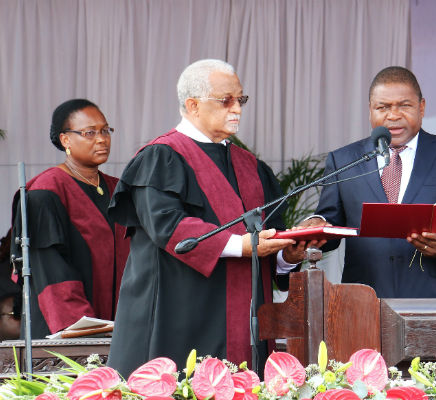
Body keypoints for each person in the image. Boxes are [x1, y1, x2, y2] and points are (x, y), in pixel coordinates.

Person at [107, 59, 312, 377]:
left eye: (240, 99)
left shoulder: (251, 167)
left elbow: (272, 235)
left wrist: (287, 255)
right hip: (179, 315)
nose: (237, 109)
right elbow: (169, 226)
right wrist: (241, 246)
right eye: (225, 100)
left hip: (245, 323)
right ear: (193, 105)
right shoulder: (161, 157)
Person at [304, 66, 436, 298]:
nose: (393, 115)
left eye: (404, 105)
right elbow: (331, 222)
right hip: (362, 299)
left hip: (433, 298)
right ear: (370, 111)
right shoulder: (344, 159)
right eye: (383, 107)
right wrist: (317, 224)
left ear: (421, 107)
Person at [10, 99, 130, 339]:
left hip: (116, 326)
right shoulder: (45, 192)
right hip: (64, 331)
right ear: (65, 140)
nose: (101, 139)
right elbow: (50, 267)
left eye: (105, 130)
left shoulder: (117, 189)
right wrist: (83, 327)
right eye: (89, 133)